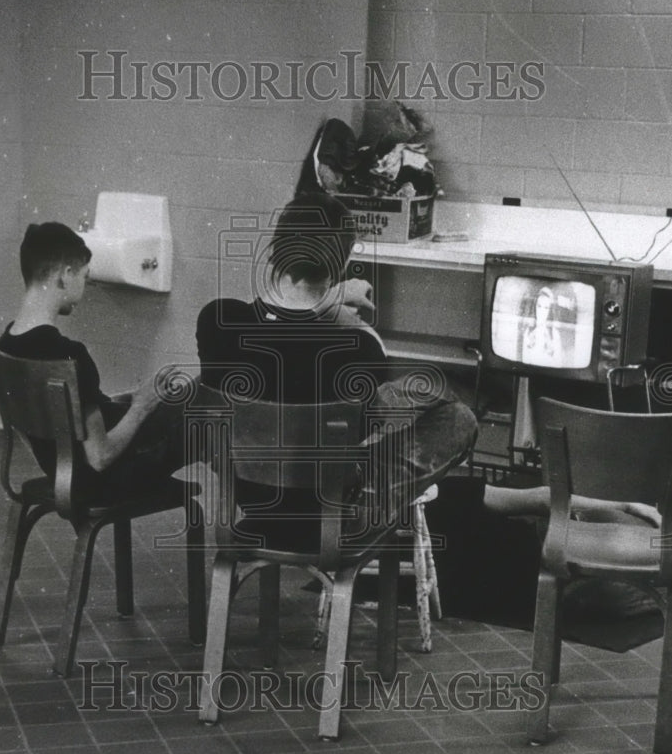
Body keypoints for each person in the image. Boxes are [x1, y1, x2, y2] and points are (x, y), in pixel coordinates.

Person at [196, 192, 478, 550]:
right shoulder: (360, 348)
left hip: (254, 502)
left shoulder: (217, 321)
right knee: (457, 417)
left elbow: (275, 325)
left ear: (276, 248)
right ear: (342, 264)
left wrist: (328, 297)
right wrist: (338, 304)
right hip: (337, 518)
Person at [0, 223, 184, 500]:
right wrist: (141, 406)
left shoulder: (5, 346)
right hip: (101, 479)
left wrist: (135, 397)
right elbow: (99, 457)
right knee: (208, 407)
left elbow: (75, 412)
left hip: (60, 471)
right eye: (85, 276)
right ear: (66, 275)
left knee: (193, 402)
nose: (84, 287)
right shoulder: (68, 354)